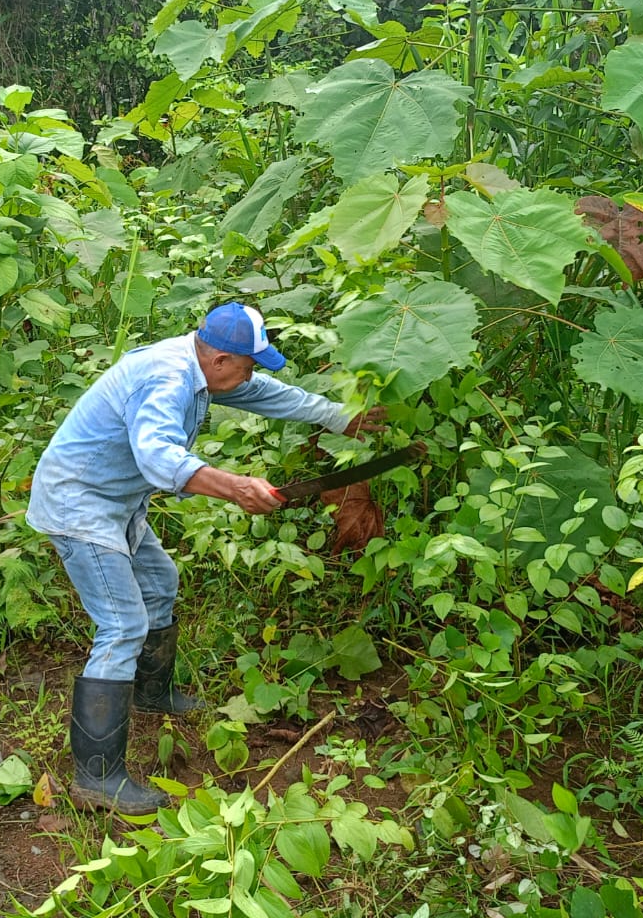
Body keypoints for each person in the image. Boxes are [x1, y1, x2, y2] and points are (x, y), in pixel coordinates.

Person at [26, 302, 383, 814]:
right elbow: (158, 456)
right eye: (248, 365)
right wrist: (234, 486)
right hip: (79, 504)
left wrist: (340, 417)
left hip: (116, 502)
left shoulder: (202, 366)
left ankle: (151, 693)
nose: (250, 375)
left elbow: (264, 393)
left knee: (160, 582)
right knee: (122, 625)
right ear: (219, 360)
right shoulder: (168, 379)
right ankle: (96, 777)